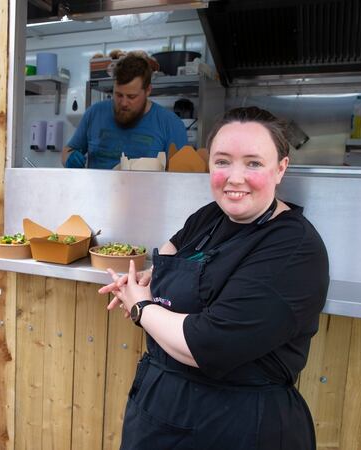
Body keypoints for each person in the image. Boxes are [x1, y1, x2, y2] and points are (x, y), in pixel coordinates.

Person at [99, 106, 329, 449]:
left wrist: (142, 308)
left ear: (281, 169)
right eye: (222, 161)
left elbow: (206, 344)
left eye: (253, 163)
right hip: (159, 413)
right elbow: (168, 255)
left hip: (237, 425)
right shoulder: (210, 217)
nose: (235, 177)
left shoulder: (294, 248)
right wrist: (146, 280)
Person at [60, 52, 188, 169]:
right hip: (98, 193)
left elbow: (181, 177)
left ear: (148, 90)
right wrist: (70, 158)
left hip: (147, 193)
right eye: (118, 95)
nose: (124, 103)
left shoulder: (170, 124)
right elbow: (68, 151)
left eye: (132, 97)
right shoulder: (94, 113)